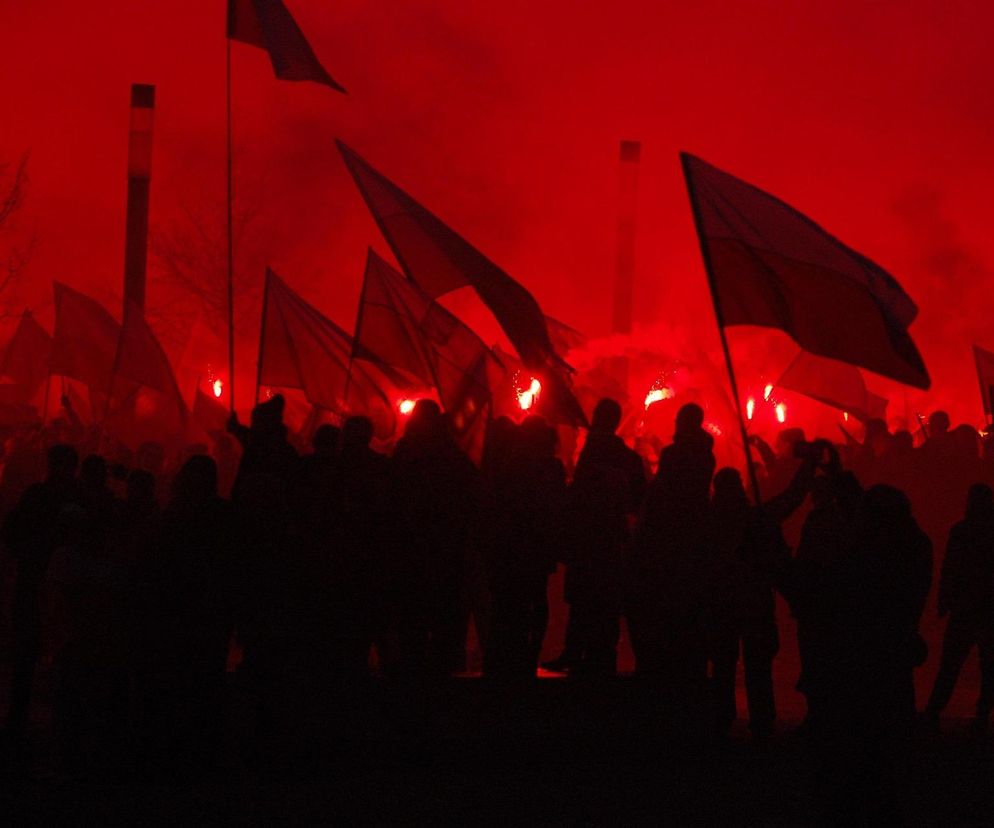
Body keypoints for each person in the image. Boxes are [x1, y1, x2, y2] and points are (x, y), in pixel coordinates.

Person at [546, 398, 645, 675]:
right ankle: (599, 655)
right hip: (611, 540)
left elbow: (579, 496)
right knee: (603, 600)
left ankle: (577, 652)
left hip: (590, 539)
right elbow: (639, 499)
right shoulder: (628, 458)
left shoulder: (595, 453)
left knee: (583, 599)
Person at [387, 400, 479, 675]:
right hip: (445, 544)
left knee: (412, 611)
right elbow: (471, 488)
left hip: (412, 543)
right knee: (444, 610)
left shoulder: (406, 450)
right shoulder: (450, 452)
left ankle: (411, 666)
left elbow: (393, 494)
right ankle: (445, 666)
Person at [1, 443, 80, 740]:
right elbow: (11, 533)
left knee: (41, 655)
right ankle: (43, 725)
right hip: (43, 585)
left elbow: (11, 533)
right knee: (33, 654)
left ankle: (35, 724)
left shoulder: (51, 496)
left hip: (51, 586)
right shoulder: (54, 496)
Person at [632, 403, 714, 685]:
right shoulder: (706, 453)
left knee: (667, 606)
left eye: (679, 419)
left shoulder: (677, 454)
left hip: (671, 540)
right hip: (696, 537)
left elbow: (661, 493)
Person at [484, 416, 565, 677]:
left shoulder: (510, 466)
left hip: (513, 543)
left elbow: (500, 505)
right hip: (539, 542)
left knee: (510, 600)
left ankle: (509, 650)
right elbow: (556, 504)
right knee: (537, 596)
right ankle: (531, 651)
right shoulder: (552, 467)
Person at [923, 483, 994, 732]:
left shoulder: (961, 531)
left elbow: (949, 569)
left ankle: (934, 711)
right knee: (987, 666)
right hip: (985, 609)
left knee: (951, 664)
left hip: (966, 608)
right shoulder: (975, 532)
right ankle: (981, 714)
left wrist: (944, 600)